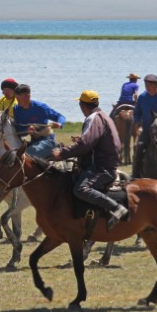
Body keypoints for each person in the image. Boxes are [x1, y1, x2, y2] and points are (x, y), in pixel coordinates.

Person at [51, 90, 128, 230]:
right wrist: (80, 140)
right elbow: (92, 141)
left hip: (101, 168)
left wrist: (61, 153)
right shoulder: (103, 116)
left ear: (82, 106)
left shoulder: (93, 118)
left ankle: (116, 208)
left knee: (81, 189)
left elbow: (85, 145)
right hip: (105, 162)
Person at [13, 83, 65, 159]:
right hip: (34, 141)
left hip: (48, 141)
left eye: (19, 98)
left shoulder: (40, 107)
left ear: (28, 96)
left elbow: (60, 117)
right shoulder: (16, 109)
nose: (17, 101)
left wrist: (59, 124)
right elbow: (18, 130)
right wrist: (27, 131)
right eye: (16, 98)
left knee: (24, 156)